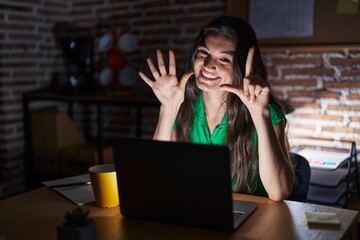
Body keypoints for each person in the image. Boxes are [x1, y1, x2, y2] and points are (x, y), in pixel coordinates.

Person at [139, 15, 294, 201]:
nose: (208, 65)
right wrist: (168, 108)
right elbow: (155, 174)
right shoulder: (182, 104)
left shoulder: (264, 111)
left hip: (252, 219)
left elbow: (279, 192)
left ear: (242, 66)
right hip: (197, 209)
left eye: (224, 59)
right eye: (203, 52)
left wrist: (259, 114)